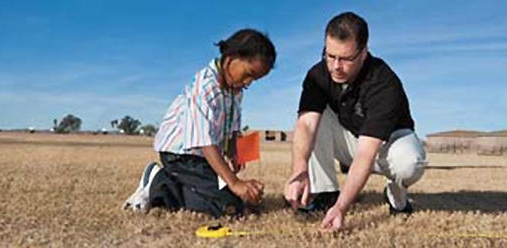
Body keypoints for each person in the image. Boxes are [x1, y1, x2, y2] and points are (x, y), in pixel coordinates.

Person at [283, 12, 427, 231]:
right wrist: (299, 169)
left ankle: (394, 194)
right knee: (313, 119)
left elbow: (365, 154)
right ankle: (325, 194)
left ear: (364, 52)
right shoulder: (317, 75)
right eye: (330, 56)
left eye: (346, 59)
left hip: (389, 145)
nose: (335, 66)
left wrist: (342, 208)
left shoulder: (383, 83)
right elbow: (306, 125)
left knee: (410, 164)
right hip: (353, 137)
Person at [123, 28, 276, 218]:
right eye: (248, 74)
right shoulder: (204, 87)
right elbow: (204, 141)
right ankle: (159, 183)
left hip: (201, 160)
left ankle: (171, 185)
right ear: (230, 58)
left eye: (255, 79)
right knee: (230, 207)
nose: (249, 82)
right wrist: (234, 183)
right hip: (180, 155)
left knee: (230, 200)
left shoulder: (236, 91)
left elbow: (233, 125)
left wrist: (234, 152)